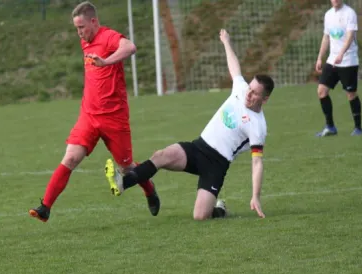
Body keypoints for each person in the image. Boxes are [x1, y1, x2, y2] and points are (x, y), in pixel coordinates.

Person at [105, 29, 274, 221]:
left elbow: (257, 162)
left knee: (200, 216)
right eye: (250, 88)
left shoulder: (258, 127)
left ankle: (220, 209)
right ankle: (123, 183)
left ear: (265, 99)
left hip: (216, 164)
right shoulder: (241, 89)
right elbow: (234, 67)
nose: (248, 94)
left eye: (254, 93)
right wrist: (226, 41)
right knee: (161, 156)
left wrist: (256, 196)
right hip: (197, 148)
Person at [29, 1, 160, 222]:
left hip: (114, 117)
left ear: (93, 21)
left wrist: (106, 62)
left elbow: (130, 47)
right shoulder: (85, 41)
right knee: (70, 158)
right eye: (76, 29)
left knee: (127, 167)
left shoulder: (108, 36)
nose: (79, 33)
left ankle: (149, 190)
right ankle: (45, 208)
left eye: (82, 27)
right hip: (89, 116)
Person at [315, 0, 362, 137]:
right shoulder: (328, 15)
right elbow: (326, 37)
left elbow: (349, 36)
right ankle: (330, 127)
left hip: (348, 60)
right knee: (322, 91)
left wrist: (342, 53)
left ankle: (358, 128)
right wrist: (320, 57)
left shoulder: (350, 13)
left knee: (351, 94)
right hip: (332, 60)